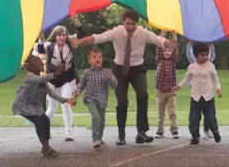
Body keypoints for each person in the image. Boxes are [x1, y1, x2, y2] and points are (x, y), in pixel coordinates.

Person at [73, 9, 175, 145]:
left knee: (143, 96)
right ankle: (121, 135)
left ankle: (141, 133)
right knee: (122, 102)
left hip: (138, 69)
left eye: (133, 24)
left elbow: (159, 40)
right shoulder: (117, 32)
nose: (131, 27)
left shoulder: (143, 33)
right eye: (128, 24)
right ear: (123, 22)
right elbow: (97, 38)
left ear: (137, 24)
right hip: (120, 69)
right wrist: (80, 41)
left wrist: (168, 43)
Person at [12, 54, 76, 157]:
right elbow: (40, 80)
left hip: (34, 106)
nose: (41, 62)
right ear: (30, 66)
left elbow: (51, 93)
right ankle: (46, 149)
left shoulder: (42, 79)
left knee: (45, 120)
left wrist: (65, 100)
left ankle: (45, 147)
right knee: (39, 122)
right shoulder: (30, 76)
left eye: (41, 61)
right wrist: (56, 73)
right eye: (38, 61)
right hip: (24, 105)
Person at [36, 14, 85, 141]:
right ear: (55, 36)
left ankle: (68, 133)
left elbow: (81, 34)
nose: (62, 37)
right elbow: (41, 50)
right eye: (59, 35)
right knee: (51, 108)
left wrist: (76, 21)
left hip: (67, 80)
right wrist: (41, 39)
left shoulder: (70, 43)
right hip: (52, 81)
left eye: (63, 35)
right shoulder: (49, 45)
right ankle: (45, 131)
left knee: (66, 105)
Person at [172, 42, 222, 146]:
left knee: (210, 117)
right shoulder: (192, 67)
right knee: (193, 118)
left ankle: (215, 131)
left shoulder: (211, 66)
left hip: (208, 96)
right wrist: (179, 86)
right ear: (196, 56)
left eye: (206, 54)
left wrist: (218, 89)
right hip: (195, 97)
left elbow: (215, 79)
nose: (205, 57)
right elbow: (187, 78)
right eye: (202, 55)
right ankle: (195, 137)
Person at [76, 48, 118, 149]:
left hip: (102, 100)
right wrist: (78, 91)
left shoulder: (106, 72)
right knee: (96, 118)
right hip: (90, 99)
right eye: (94, 57)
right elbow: (81, 85)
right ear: (89, 61)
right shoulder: (87, 72)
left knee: (102, 121)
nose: (98, 59)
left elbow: (115, 85)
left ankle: (99, 138)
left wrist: (109, 78)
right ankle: (95, 139)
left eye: (99, 56)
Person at [186, 40, 216, 138]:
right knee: (195, 114)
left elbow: (212, 56)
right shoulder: (193, 63)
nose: (205, 57)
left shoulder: (208, 63)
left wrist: (211, 45)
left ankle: (207, 130)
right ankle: (195, 133)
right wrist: (189, 44)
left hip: (207, 92)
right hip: (197, 92)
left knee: (208, 113)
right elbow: (189, 55)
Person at [155, 30, 179, 139]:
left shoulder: (173, 60)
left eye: (169, 51)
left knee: (172, 112)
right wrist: (163, 33)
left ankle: (174, 130)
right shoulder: (159, 59)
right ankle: (160, 131)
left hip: (171, 91)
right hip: (160, 91)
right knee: (161, 113)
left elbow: (175, 46)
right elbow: (159, 45)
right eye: (165, 50)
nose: (167, 52)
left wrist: (174, 33)